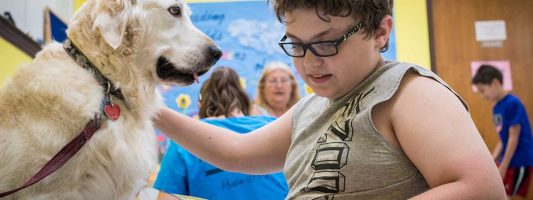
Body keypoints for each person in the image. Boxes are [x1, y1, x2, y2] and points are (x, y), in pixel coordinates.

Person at [154, 0, 506, 199]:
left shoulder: (408, 91)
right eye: (295, 43)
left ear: (381, 32)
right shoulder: (312, 107)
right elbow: (236, 152)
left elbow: (481, 190)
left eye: (327, 43)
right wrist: (150, 110)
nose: (309, 61)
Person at [153, 67, 288, 200]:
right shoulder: (274, 127)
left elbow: (166, 197)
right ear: (246, 103)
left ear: (201, 104)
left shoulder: (184, 142)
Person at [472, 64, 533, 199]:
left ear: (495, 83)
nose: (482, 96)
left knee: (507, 196)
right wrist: (492, 160)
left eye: (482, 90)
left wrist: (503, 166)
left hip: (519, 160)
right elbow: (503, 138)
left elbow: (513, 137)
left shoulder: (513, 103)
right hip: (507, 160)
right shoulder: (496, 108)